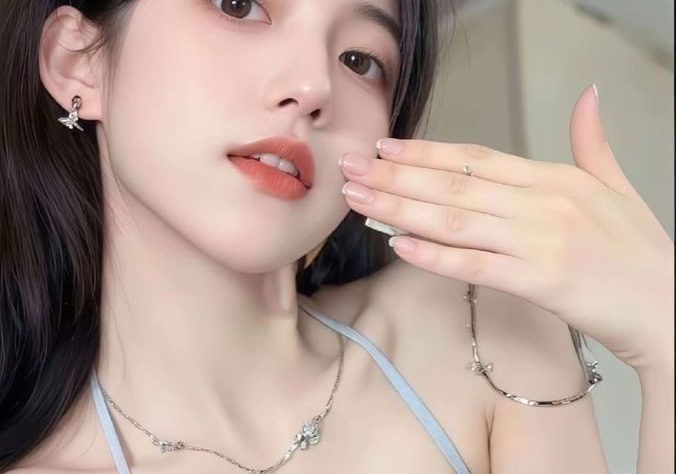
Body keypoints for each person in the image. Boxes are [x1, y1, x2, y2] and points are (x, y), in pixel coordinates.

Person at [0, 0, 673, 473]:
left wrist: (664, 331)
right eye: (239, 5)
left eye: (360, 59)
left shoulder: (484, 336)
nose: (314, 85)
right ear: (78, 61)